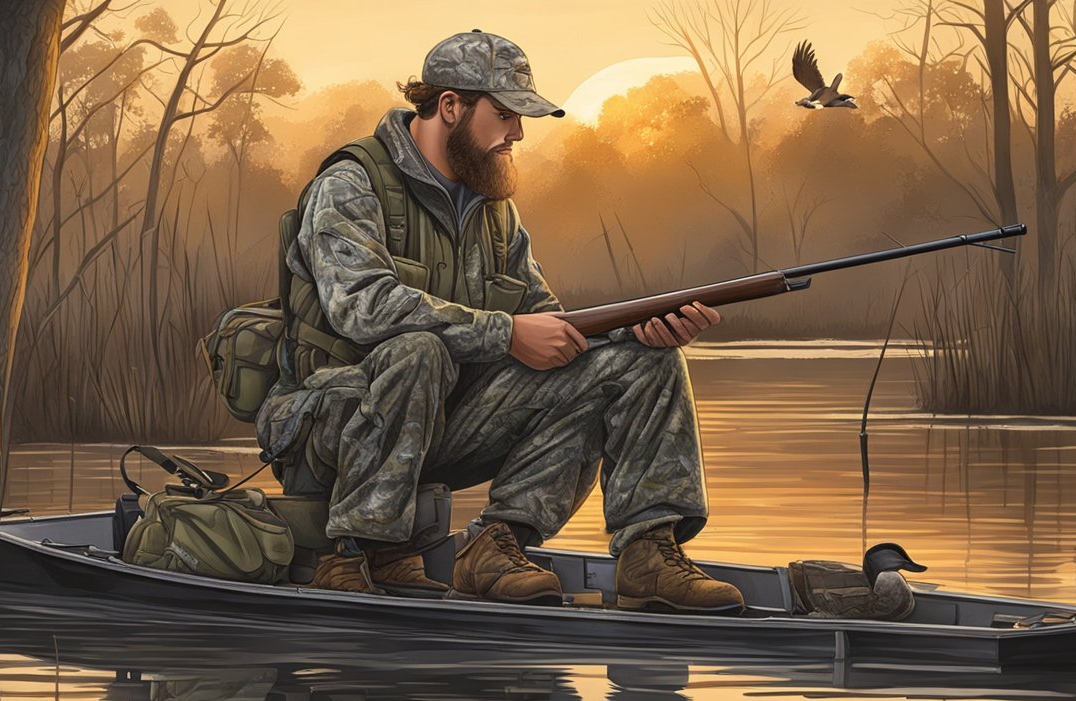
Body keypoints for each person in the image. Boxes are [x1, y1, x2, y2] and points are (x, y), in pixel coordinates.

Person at [255, 30, 743, 613]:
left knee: (639, 365)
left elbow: (543, 319)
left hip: (444, 422)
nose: (517, 133)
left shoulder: (494, 210)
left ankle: (599, 549)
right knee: (418, 351)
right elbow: (362, 307)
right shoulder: (351, 183)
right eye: (505, 115)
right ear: (450, 106)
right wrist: (505, 333)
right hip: (334, 426)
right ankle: (356, 553)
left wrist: (634, 332)